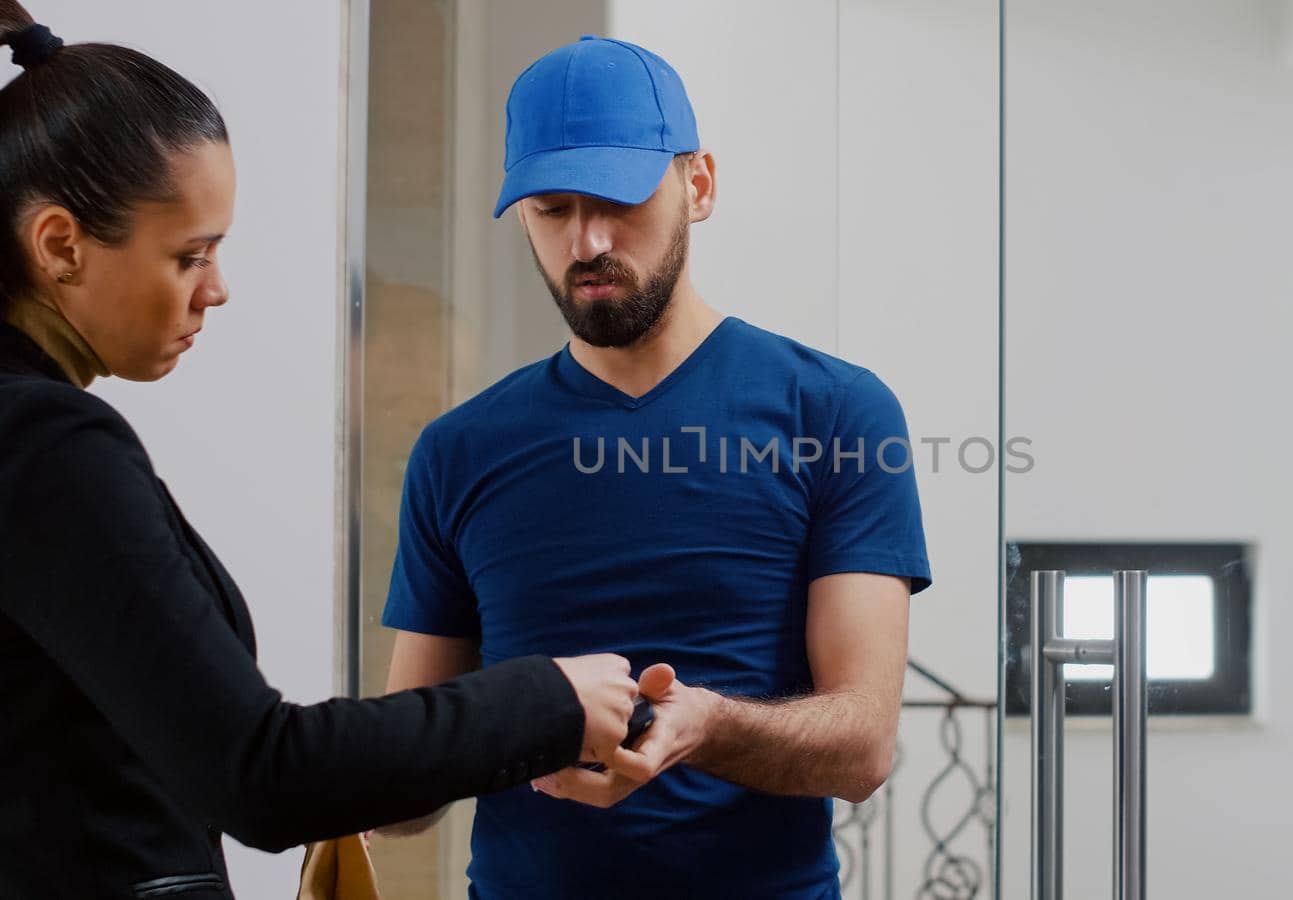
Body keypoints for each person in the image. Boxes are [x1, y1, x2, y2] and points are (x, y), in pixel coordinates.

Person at [0, 7, 641, 898]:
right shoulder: (42, 446)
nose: (217, 290)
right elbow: (264, 774)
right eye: (191, 255)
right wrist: (550, 702)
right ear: (61, 244)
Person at [379, 36, 932, 898]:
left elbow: (862, 746)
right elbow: (401, 799)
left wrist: (703, 725)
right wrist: (516, 720)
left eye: (618, 199)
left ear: (698, 185)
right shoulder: (460, 449)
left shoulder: (835, 414)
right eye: (551, 209)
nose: (587, 241)